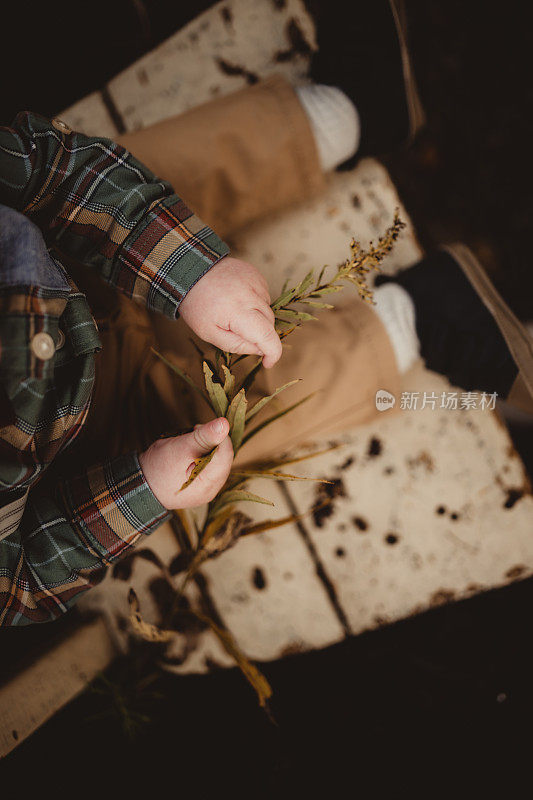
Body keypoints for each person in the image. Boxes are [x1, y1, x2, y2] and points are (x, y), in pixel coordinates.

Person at [1, 0, 531, 626]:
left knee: (163, 172)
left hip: (77, 251)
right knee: (228, 415)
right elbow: (21, 581)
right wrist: (145, 486)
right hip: (92, 440)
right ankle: (420, 319)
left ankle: (343, 114)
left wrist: (190, 271)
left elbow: (45, 168)